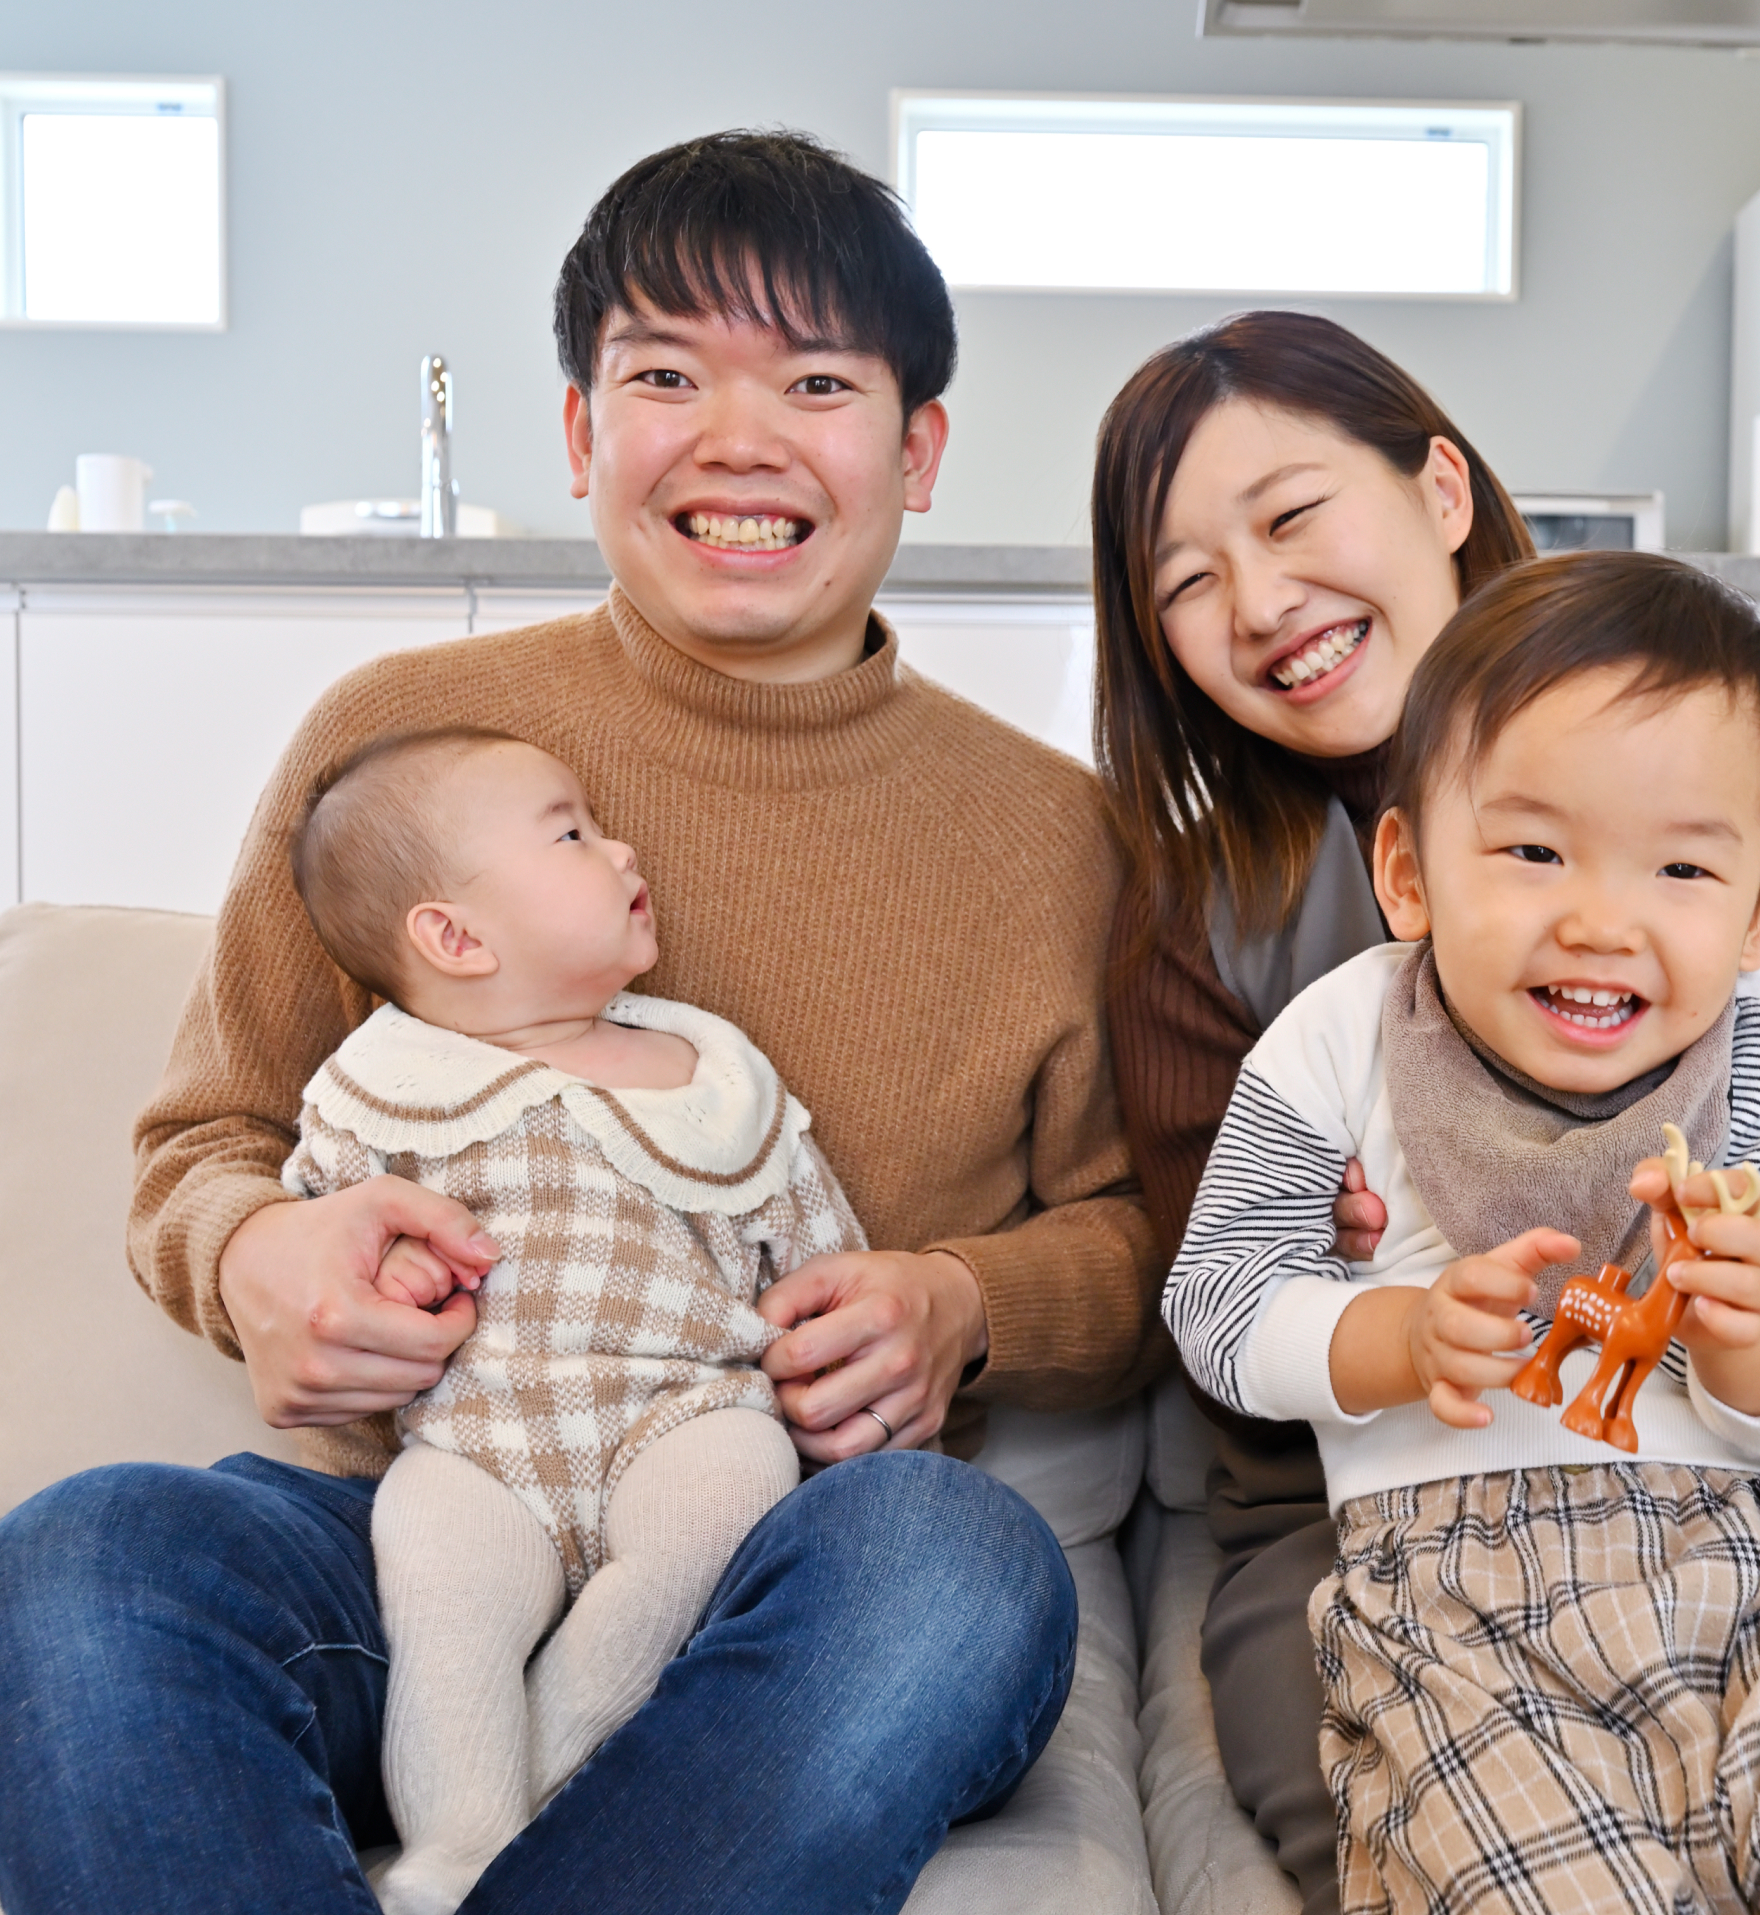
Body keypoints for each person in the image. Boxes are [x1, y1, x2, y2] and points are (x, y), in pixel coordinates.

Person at [0, 130, 1159, 1915]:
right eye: (666, 375)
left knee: (953, 1560)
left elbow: (1143, 1244)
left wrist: (965, 1303)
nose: (738, 439)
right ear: (577, 431)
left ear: (917, 449)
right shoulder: (399, 736)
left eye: (819, 381)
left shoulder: (1054, 837)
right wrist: (261, 1258)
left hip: (783, 1558)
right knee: (84, 1561)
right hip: (412, 1525)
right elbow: (204, 1144)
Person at [1093, 311, 1760, 1915]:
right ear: (1404, 879)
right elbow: (1224, 1290)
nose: (1258, 601)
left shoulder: (1758, 776)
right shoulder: (1236, 935)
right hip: (1406, 1513)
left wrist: (1750, 1293)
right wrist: (1377, 1289)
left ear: (1439, 488)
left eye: (1293, 515)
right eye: (1184, 578)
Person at [284, 728, 869, 1915]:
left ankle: (549, 1781)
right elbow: (317, 1239)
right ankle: (454, 1851)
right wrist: (381, 1271)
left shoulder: (709, 1074)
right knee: (444, 1600)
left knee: (727, 1492)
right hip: (478, 1441)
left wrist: (852, 1328)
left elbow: (817, 1244)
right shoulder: (392, 1082)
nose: (621, 845)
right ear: (454, 936)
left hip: (680, 1411)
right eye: (571, 834)